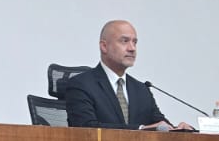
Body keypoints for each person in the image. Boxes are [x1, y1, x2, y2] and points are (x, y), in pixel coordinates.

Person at [61, 19, 190, 131]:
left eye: (135, 42)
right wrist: (140, 129)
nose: (132, 48)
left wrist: (179, 130)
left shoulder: (141, 89)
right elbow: (86, 127)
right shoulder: (81, 85)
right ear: (104, 46)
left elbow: (159, 124)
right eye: (124, 41)